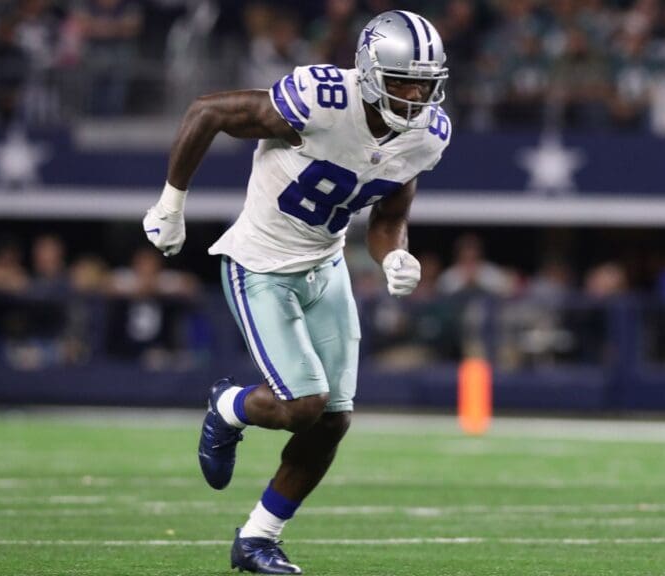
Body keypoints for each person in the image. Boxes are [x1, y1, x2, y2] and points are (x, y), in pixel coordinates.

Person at [142, 10, 450, 574]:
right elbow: (208, 111)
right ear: (370, 71)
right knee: (302, 406)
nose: (416, 95)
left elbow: (389, 217)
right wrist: (171, 202)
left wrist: (394, 255)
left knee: (333, 419)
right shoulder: (322, 100)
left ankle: (257, 538)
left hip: (325, 265)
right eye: (404, 80)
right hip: (260, 263)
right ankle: (228, 405)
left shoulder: (426, 135)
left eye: (425, 84)